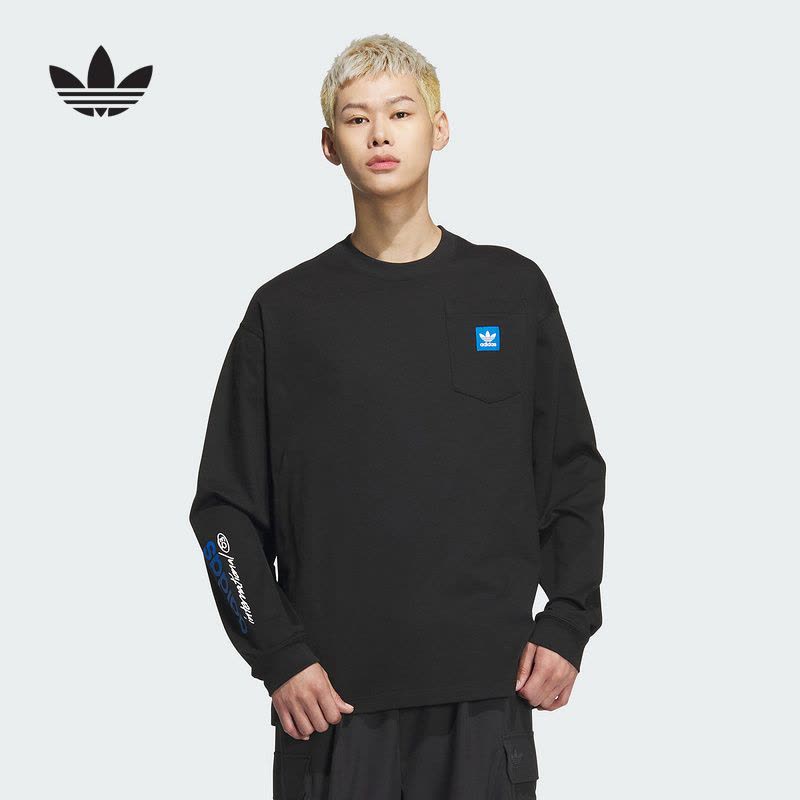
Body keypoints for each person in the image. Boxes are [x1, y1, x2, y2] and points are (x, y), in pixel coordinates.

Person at [189, 32, 605, 800]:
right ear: (329, 145)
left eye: (401, 113)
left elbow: (570, 473)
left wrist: (570, 619)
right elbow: (223, 513)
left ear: (438, 129)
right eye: (357, 118)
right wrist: (278, 655)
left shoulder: (510, 291)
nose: (380, 133)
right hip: (334, 710)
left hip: (486, 699)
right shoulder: (286, 313)